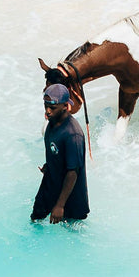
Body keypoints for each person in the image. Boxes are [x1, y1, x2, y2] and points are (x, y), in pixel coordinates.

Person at [32, 83, 89, 223]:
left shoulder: (73, 135)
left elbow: (73, 172)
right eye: (46, 106)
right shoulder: (51, 123)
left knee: (71, 230)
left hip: (70, 195)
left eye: (52, 107)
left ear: (65, 106)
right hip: (50, 183)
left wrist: (60, 205)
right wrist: (50, 165)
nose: (48, 111)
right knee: (35, 219)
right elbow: (57, 151)